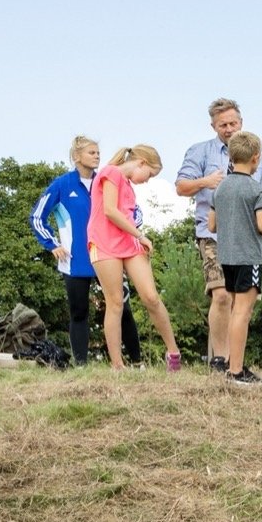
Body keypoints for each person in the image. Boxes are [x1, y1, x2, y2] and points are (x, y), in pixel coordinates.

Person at [175, 98, 262, 371]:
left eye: (233, 123)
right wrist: (206, 181)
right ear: (213, 126)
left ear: (241, 122)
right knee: (222, 295)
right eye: (223, 125)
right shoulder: (200, 152)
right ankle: (220, 359)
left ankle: (235, 362)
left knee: (241, 302)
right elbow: (181, 186)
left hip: (245, 238)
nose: (228, 129)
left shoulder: (253, 153)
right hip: (212, 235)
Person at [30, 135, 142, 366]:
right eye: (91, 152)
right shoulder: (62, 184)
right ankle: (81, 365)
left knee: (122, 309)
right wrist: (52, 244)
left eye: (98, 152)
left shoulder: (108, 179)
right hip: (75, 260)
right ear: (76, 156)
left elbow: (135, 212)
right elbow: (37, 216)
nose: (97, 156)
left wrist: (128, 231)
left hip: (109, 255)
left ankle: (136, 362)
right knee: (79, 312)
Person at [87, 145, 182, 371]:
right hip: (104, 243)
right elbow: (110, 210)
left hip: (129, 243)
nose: (147, 181)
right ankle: (117, 365)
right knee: (115, 302)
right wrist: (140, 235)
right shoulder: (111, 172)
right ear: (141, 163)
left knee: (151, 297)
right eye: (150, 175)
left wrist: (136, 238)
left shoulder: (128, 185)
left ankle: (173, 353)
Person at [206, 130, 262, 386]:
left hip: (227, 257)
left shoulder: (221, 189)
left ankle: (232, 365)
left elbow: (212, 225)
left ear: (231, 157)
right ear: (256, 158)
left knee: (235, 310)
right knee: (243, 313)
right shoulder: (258, 190)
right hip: (249, 257)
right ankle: (236, 370)